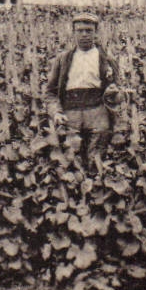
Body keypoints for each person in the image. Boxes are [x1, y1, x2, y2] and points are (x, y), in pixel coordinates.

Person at [45, 11, 118, 173]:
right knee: (71, 160)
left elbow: (118, 91)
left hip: (97, 113)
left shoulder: (107, 59)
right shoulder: (63, 59)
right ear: (73, 32)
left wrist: (113, 92)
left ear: (96, 32)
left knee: (97, 160)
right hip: (71, 114)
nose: (84, 34)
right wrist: (56, 112)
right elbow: (50, 93)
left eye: (89, 30)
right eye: (80, 30)